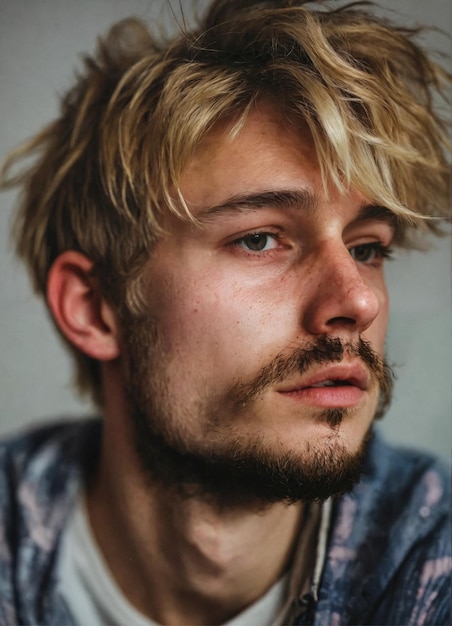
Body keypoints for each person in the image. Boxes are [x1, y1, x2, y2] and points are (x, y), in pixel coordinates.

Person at [0, 0, 450, 624]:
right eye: (260, 239)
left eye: (367, 248)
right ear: (95, 308)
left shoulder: (430, 557)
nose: (358, 300)